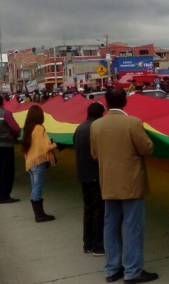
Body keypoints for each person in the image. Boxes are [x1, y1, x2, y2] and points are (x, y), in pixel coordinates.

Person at [90, 88, 158, 284]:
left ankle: (112, 269)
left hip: (108, 182)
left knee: (110, 226)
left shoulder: (97, 126)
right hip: (131, 182)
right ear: (125, 102)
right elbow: (147, 148)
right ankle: (133, 270)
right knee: (132, 227)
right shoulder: (133, 123)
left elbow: (95, 154)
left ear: (107, 102)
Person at [75, 102, 107, 256]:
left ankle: (87, 243)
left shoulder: (79, 128)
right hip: (95, 175)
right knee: (98, 211)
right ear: (100, 114)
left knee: (88, 210)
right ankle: (98, 245)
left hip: (83, 175)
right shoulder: (95, 129)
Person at [21, 105, 58, 222]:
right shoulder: (39, 128)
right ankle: (39, 215)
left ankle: (38, 214)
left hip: (31, 162)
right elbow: (44, 147)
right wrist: (55, 145)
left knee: (34, 188)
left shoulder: (27, 128)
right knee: (38, 189)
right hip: (38, 161)